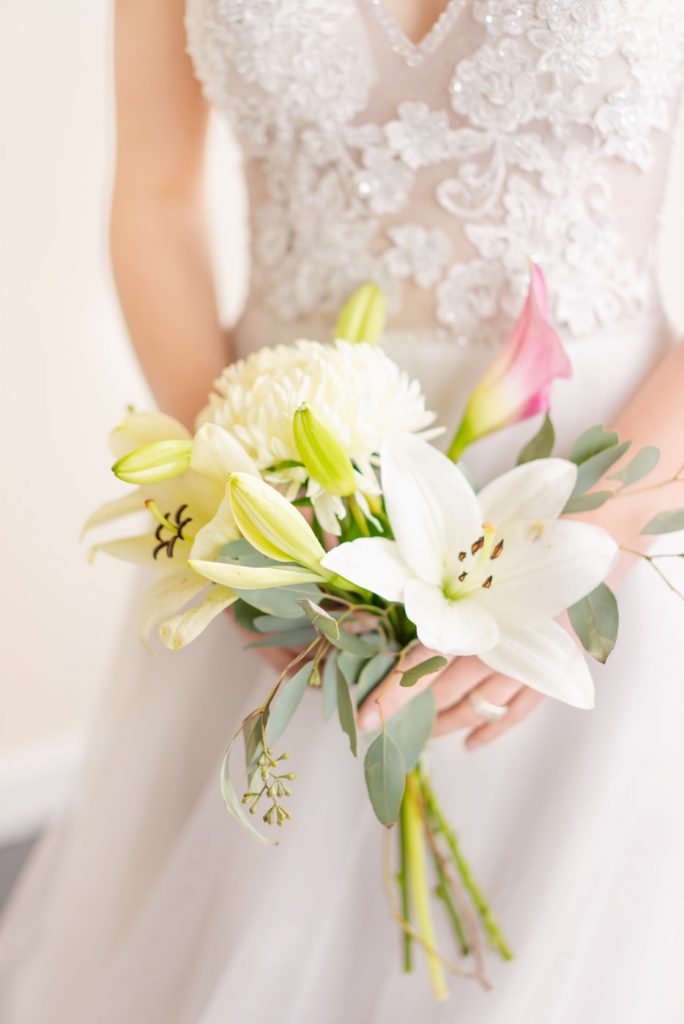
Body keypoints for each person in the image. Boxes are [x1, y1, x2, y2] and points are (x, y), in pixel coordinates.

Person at [2, 2, 684, 1020]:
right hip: (280, 496)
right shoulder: (258, 506)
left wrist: (581, 547)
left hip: (597, 488)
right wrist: (243, 507)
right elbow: (155, 196)